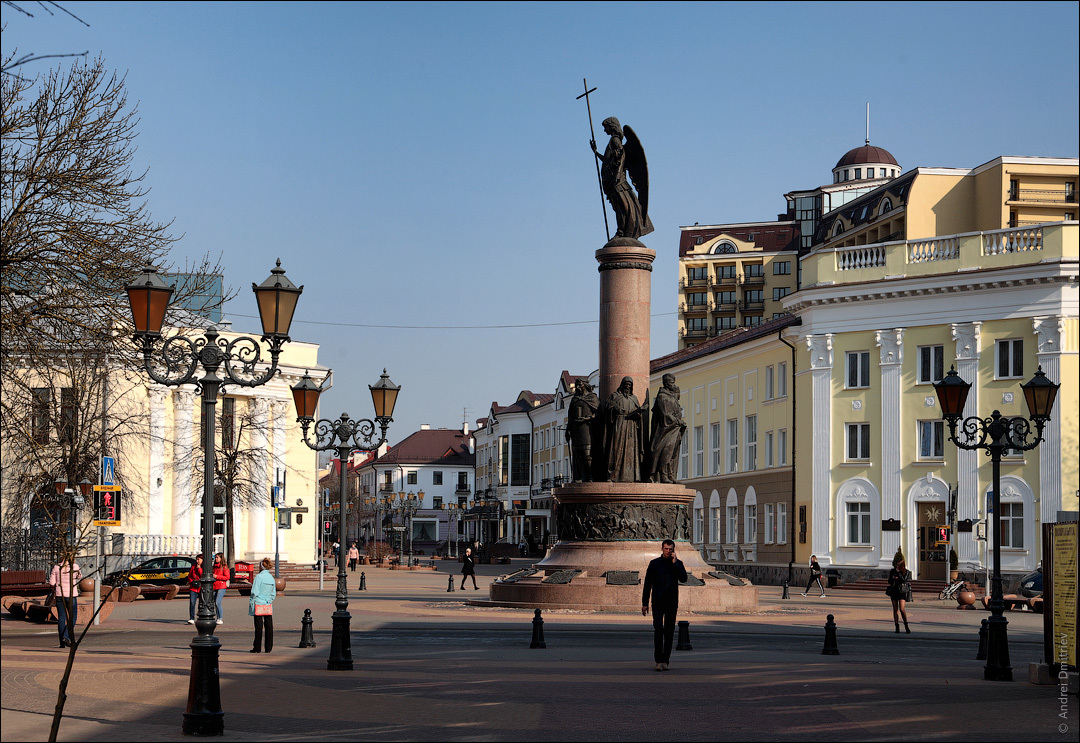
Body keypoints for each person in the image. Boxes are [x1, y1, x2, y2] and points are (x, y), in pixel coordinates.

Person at [590, 116, 654, 240]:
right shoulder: (613, 141)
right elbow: (608, 161)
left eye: (605, 127)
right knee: (620, 207)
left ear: (612, 126)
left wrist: (616, 178)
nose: (604, 130)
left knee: (622, 207)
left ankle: (622, 231)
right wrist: (596, 152)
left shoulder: (615, 141)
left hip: (618, 182)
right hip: (614, 182)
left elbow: (620, 160)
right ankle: (622, 231)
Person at [642, 539, 687, 671]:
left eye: (670, 549)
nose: (668, 551)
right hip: (657, 602)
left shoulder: (677, 564)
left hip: (671, 602)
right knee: (658, 630)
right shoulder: (654, 563)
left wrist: (676, 563)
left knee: (669, 632)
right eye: (666, 549)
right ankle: (658, 660)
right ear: (662, 549)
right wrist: (645, 603)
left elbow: (684, 578)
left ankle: (665, 660)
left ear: (674, 550)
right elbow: (647, 584)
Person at [603, 376, 647, 483]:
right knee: (616, 449)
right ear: (622, 385)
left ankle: (631, 475)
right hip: (619, 424)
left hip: (631, 427)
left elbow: (638, 417)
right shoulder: (615, 396)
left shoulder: (634, 399)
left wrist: (638, 414)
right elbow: (608, 407)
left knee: (630, 451)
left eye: (629, 385)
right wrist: (615, 409)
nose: (627, 386)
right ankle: (613, 475)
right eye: (626, 384)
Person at [649, 373, 687, 483]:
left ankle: (670, 475)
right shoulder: (662, 397)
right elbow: (666, 414)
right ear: (666, 383)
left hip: (674, 429)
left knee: (672, 453)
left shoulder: (671, 396)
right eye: (672, 383)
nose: (673, 385)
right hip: (665, 430)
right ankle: (663, 475)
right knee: (665, 451)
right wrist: (678, 421)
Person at [566, 379, 600, 482]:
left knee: (587, 454)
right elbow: (570, 416)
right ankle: (582, 476)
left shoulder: (592, 397)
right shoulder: (574, 399)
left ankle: (590, 476)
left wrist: (589, 418)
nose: (578, 387)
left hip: (587, 429)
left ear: (585, 385)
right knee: (578, 454)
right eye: (576, 386)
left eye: (580, 385)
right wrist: (568, 430)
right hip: (576, 430)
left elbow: (598, 413)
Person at [49, 556, 82, 648]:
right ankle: (66, 636)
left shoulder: (56, 567)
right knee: (73, 617)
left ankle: (62, 643)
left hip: (60, 595)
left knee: (61, 618)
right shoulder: (74, 567)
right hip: (72, 595)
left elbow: (52, 583)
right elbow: (79, 576)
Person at [249, 557, 276, 653]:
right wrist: (269, 600)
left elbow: (254, 591)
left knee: (258, 627)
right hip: (268, 604)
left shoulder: (259, 577)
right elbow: (273, 593)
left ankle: (257, 647)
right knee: (269, 626)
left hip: (258, 603)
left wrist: (252, 601)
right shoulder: (271, 578)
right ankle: (268, 647)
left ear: (261, 566)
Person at [887, 559, 912, 634]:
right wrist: (893, 578)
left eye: (898, 565)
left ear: (902, 566)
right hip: (894, 591)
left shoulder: (906, 572)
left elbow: (904, 580)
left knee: (902, 609)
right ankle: (897, 626)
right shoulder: (892, 571)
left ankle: (906, 626)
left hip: (902, 591)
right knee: (895, 609)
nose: (896, 567)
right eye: (896, 565)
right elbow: (889, 581)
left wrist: (899, 574)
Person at [212, 553, 229, 624]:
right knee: (215, 602)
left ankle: (220, 618)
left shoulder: (224, 567)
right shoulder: (214, 567)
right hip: (215, 585)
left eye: (217, 557)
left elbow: (227, 577)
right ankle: (218, 617)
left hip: (221, 586)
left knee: (217, 602)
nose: (216, 559)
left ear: (221, 558)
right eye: (215, 558)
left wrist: (217, 576)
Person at [187, 553, 204, 624]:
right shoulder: (193, 567)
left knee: (202, 603)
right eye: (196, 559)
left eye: (198, 559)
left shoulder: (204, 567)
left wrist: (199, 568)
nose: (197, 561)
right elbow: (189, 576)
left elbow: (203, 575)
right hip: (193, 588)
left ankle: (201, 616)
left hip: (201, 588)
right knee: (192, 602)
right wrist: (192, 582)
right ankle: (191, 618)